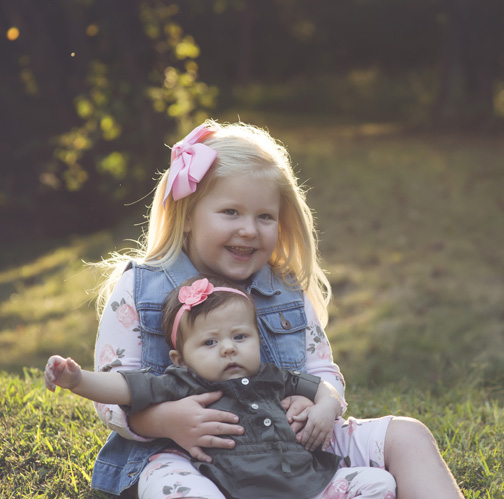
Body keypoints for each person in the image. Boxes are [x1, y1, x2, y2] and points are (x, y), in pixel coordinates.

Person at [90, 120, 465, 498]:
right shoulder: (140, 288)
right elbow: (114, 390)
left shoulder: (285, 288)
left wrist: (323, 406)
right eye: (231, 212)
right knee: (175, 485)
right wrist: (166, 420)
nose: (250, 230)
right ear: (187, 216)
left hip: (288, 447)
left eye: (265, 216)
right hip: (186, 453)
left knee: (407, 434)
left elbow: (323, 372)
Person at [45, 276, 396, 499]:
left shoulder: (273, 376)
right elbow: (124, 388)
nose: (228, 348)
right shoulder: (182, 383)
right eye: (209, 343)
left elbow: (321, 386)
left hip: (308, 484)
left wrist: (324, 406)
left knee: (378, 485)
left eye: (240, 337)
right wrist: (77, 380)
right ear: (179, 358)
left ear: (258, 340)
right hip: (231, 487)